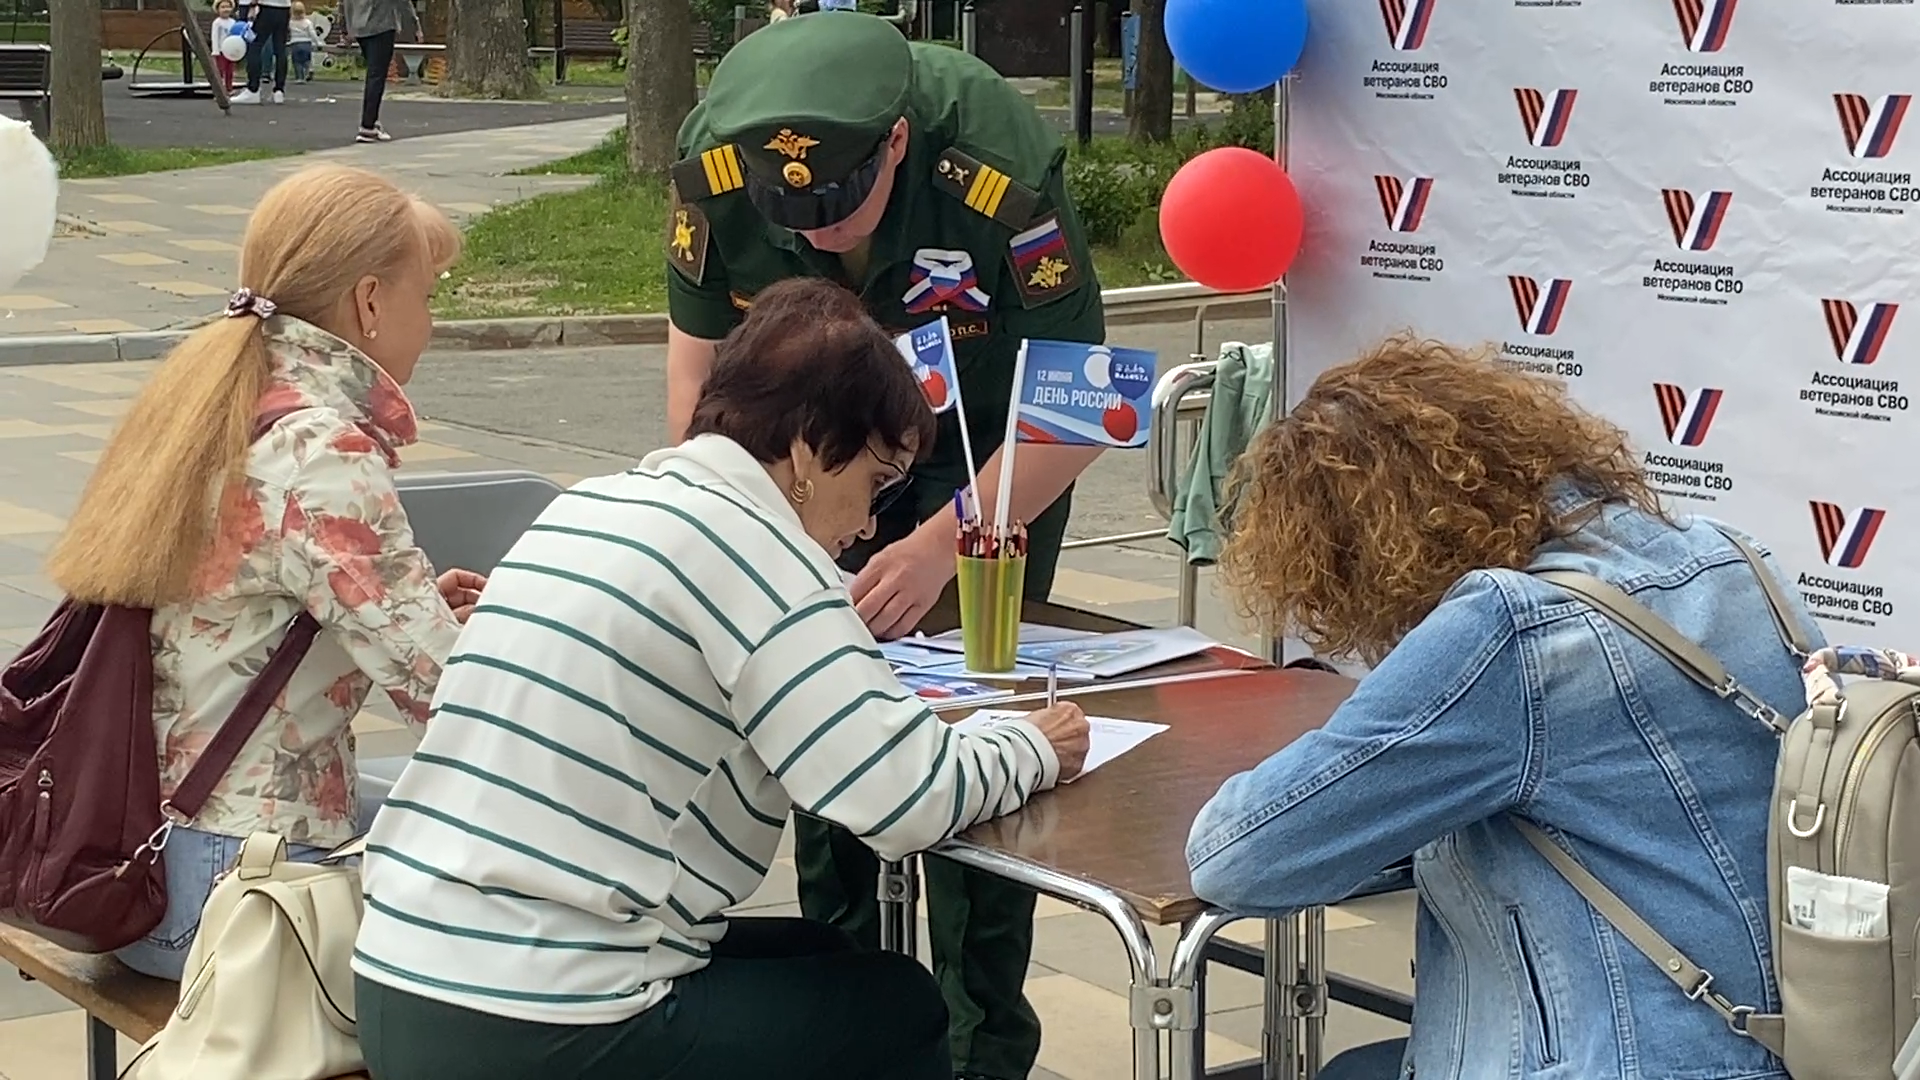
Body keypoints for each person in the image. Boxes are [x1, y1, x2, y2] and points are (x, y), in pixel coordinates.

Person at [349, 277, 1092, 1080]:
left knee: (824, 958)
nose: (872, 524)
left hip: (402, 975)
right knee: (897, 1011)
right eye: (880, 481)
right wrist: (1032, 745)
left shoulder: (586, 507)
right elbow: (901, 796)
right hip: (548, 1015)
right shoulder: (761, 555)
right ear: (809, 447)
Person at [1185, 338, 1821, 1080]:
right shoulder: (1729, 553)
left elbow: (1238, 858)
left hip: (1622, 1051)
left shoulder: (1509, 627)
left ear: (1370, 544)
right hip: (1801, 1041)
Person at [663, 15, 1107, 1077]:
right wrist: (757, 552)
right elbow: (696, 388)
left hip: (981, 461)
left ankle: (983, 1047)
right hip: (801, 465)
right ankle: (846, 1020)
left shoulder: (994, 159)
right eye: (790, 216)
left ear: (898, 145)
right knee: (818, 727)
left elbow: (1077, 400)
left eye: (838, 206)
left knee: (981, 736)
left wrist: (934, 549)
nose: (814, 235)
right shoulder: (716, 162)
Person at [43, 164, 484, 981]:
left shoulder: (214, 402)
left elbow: (242, 614)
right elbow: (453, 696)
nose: (431, 321)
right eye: (428, 295)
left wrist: (416, 610)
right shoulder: (322, 450)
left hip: (130, 862)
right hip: (229, 897)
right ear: (370, 302)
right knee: (517, 920)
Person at [339, 0, 423, 144]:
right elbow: (403, 3)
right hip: (382, 26)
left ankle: (372, 120)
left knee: (373, 73)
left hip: (360, 27)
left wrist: (345, 29)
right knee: (376, 75)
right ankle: (368, 126)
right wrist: (415, 26)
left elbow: (343, 3)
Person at [233, 0, 292, 104]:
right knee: (280, 48)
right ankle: (279, 90)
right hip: (284, 8)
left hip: (264, 6)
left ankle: (253, 89)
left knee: (254, 45)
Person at [210, 0, 239, 93]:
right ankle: (219, 90)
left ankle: (229, 88)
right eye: (223, 7)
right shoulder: (217, 23)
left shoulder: (233, 22)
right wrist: (215, 50)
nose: (226, 9)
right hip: (221, 51)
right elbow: (214, 36)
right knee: (220, 70)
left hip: (230, 51)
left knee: (230, 71)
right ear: (218, 9)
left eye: (228, 7)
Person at [287, 2, 319, 83]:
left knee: (297, 62)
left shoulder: (290, 23)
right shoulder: (307, 22)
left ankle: (300, 77)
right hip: (306, 43)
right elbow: (312, 33)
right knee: (307, 59)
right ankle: (309, 69)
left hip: (295, 43)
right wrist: (318, 42)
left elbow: (287, 32)